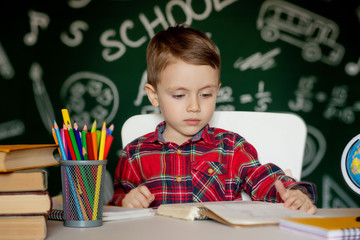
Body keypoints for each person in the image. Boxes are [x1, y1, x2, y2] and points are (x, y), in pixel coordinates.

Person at [111, 24, 317, 214]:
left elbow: (263, 179)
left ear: (217, 91)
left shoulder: (231, 147)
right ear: (154, 95)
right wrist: (126, 203)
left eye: (206, 94)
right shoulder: (134, 154)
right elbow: (116, 207)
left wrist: (293, 192)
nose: (194, 106)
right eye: (179, 95)